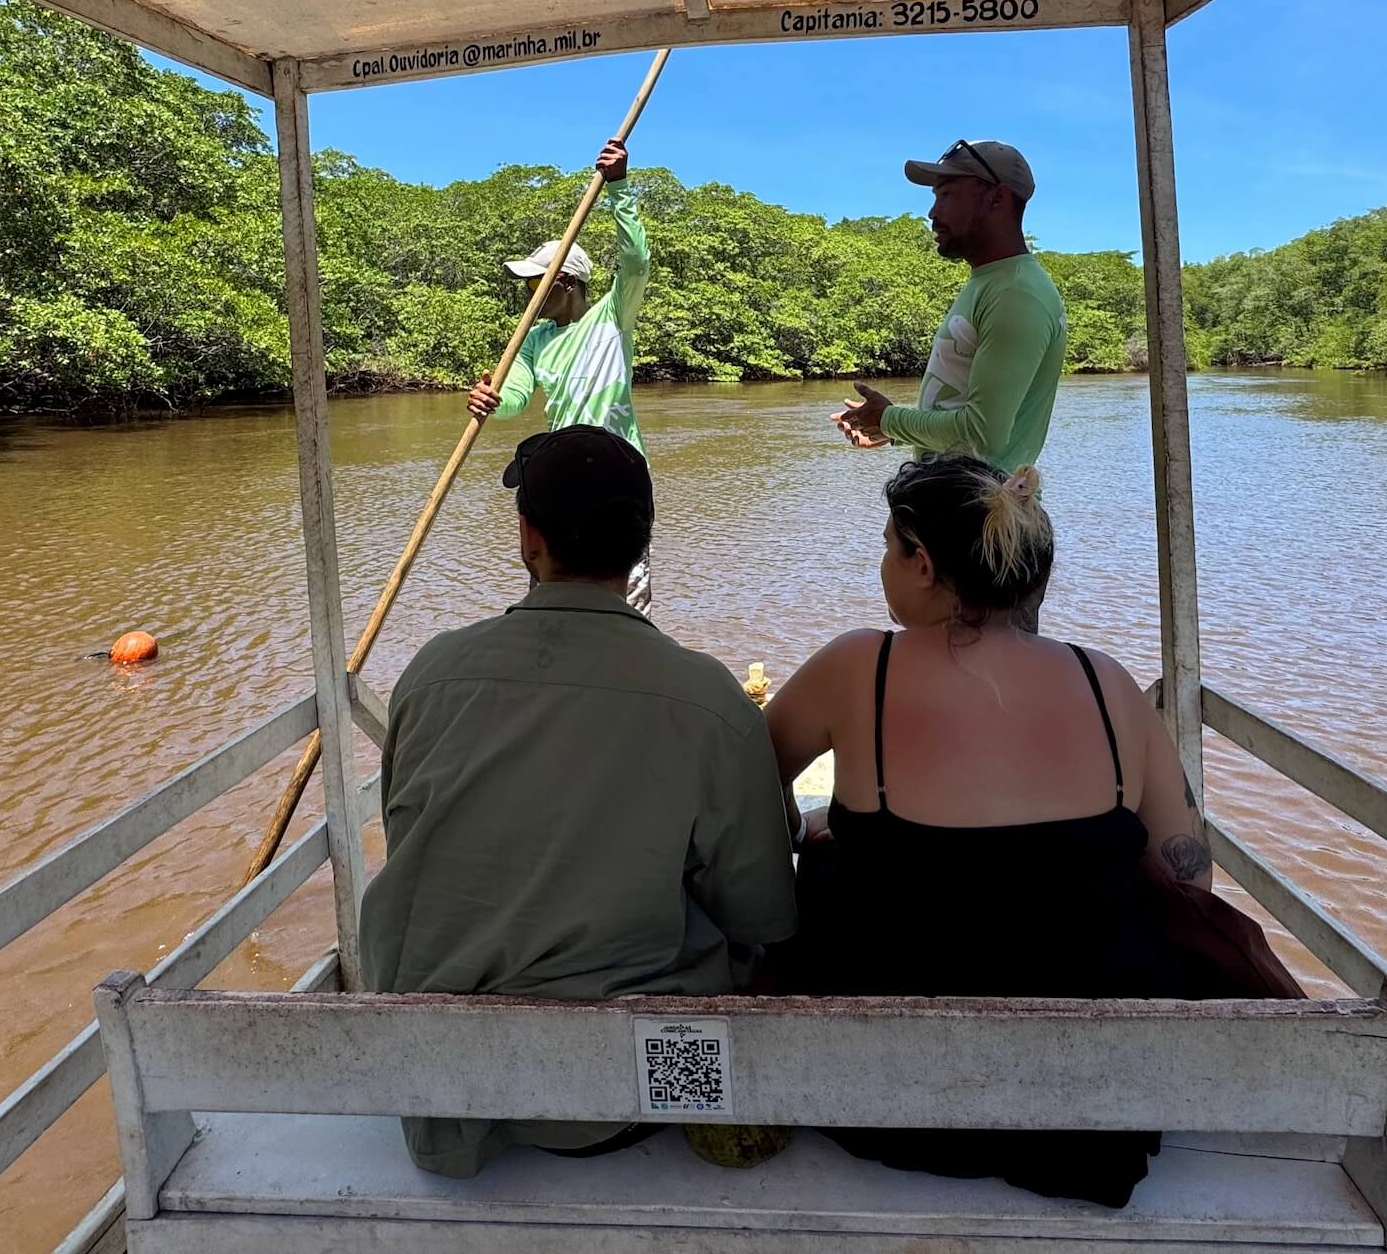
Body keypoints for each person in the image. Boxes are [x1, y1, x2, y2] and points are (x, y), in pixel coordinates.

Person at [762, 454, 1213, 1208]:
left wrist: (840, 827)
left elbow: (743, 784)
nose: (882, 565)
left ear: (924, 565)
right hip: (1088, 1116)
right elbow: (1189, 874)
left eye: (887, 547)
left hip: (884, 1099)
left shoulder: (859, 666)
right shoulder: (1106, 682)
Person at [361, 424, 798, 1179]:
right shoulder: (709, 701)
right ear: (642, 544)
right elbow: (762, 918)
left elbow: (409, 839)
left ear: (528, 538)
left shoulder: (432, 673)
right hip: (623, 1102)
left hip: (442, 1090)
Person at [469, 138, 656, 609]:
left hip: (618, 475)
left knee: (625, 600)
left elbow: (636, 263)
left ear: (566, 283)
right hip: (563, 477)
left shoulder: (612, 317)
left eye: (535, 283)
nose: (528, 294)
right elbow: (513, 397)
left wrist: (619, 188)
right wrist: (490, 400)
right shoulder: (533, 340)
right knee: (552, 596)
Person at [832, 139, 1066, 474]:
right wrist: (892, 431)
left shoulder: (1017, 292)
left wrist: (889, 420)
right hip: (952, 498)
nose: (933, 212)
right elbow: (962, 415)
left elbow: (983, 434)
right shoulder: (989, 281)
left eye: (947, 195)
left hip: (980, 505)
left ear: (998, 198)